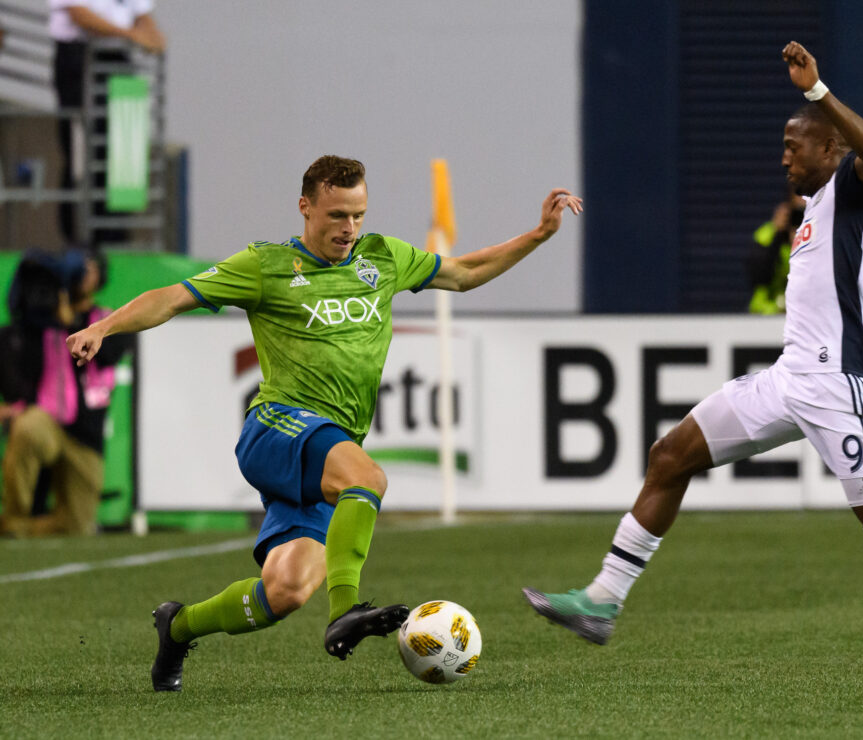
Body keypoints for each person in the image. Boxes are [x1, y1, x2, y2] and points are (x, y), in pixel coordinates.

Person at [523, 42, 863, 688]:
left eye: (795, 145)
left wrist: (819, 95)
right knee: (670, 454)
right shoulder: (812, 208)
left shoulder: (856, 187)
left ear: (830, 149)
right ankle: (603, 600)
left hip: (840, 387)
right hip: (790, 381)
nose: (784, 156)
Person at [66, 155, 582, 692]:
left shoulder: (383, 257)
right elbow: (171, 298)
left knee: (284, 591)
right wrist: (104, 327)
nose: (349, 228)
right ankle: (346, 609)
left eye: (358, 214)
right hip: (276, 427)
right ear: (305, 207)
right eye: (337, 215)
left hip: (328, 451)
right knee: (368, 479)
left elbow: (466, 272)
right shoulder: (265, 266)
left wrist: (539, 234)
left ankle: (177, 625)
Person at [0, 247, 128, 536]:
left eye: (90, 267)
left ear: (101, 275)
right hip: (46, 421)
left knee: (78, 526)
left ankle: (17, 528)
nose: (82, 274)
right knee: (29, 428)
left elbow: (108, 354)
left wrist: (70, 320)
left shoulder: (106, 320)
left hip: (85, 435)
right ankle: (14, 516)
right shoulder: (37, 324)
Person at [49, 0, 167, 242]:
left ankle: (114, 232)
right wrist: (132, 35)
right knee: (81, 149)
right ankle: (80, 238)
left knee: (123, 144)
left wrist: (152, 36)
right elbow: (79, 15)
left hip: (117, 57)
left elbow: (143, 16)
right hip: (78, 56)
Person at [747, 191, 805, 314]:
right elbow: (759, 278)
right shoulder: (767, 235)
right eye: (797, 213)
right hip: (767, 311)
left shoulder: (821, 233)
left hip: (805, 311)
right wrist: (777, 235)